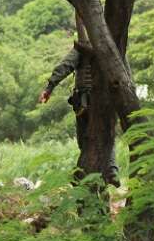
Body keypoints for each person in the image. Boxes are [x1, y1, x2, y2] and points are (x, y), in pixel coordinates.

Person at [38, 44, 120, 187]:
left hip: (86, 102)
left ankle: (84, 175)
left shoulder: (84, 46)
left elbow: (66, 65)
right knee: (107, 136)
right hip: (106, 101)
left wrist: (49, 87)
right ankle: (110, 170)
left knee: (86, 141)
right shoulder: (113, 48)